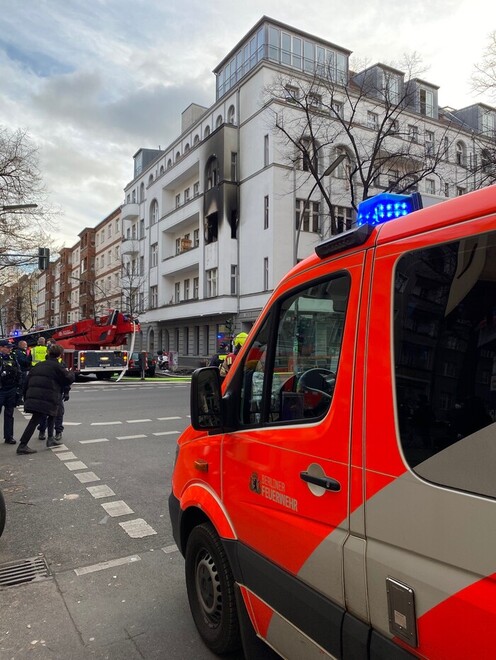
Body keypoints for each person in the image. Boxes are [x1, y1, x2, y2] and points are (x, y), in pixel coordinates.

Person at [17, 344, 74, 455]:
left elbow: (26, 381)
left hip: (37, 395)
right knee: (35, 420)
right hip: (46, 397)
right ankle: (22, 445)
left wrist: (24, 396)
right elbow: (68, 379)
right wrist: (71, 372)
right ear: (60, 355)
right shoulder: (57, 366)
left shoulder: (39, 365)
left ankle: (50, 438)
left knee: (53, 414)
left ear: (48, 353)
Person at [0, 339, 21, 445]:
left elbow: (18, 370)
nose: (9, 349)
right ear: (1, 348)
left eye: (10, 347)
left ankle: (9, 437)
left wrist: (18, 387)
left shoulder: (12, 357)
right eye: (7, 347)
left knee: (9, 414)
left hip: (11, 388)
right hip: (1, 389)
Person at [12, 340, 32, 405]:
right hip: (22, 371)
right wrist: (29, 359)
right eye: (25, 345)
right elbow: (24, 361)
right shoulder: (20, 352)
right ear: (21, 345)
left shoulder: (21, 352)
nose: (26, 346)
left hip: (22, 371)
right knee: (21, 386)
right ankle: (18, 400)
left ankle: (18, 399)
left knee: (21, 385)